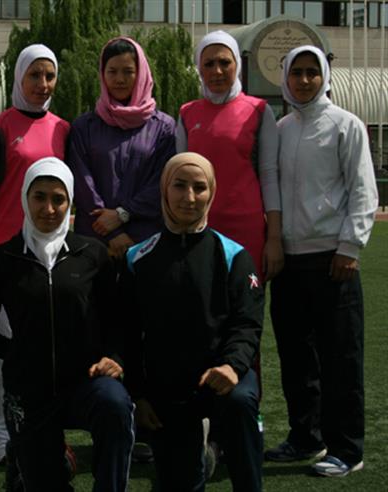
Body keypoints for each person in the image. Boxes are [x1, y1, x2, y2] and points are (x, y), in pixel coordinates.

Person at [0, 157, 134, 492]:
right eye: (39, 197)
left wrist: (114, 356)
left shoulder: (92, 254)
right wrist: (18, 354)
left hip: (87, 382)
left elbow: (117, 318)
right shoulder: (2, 259)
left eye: (58, 199)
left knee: (115, 405)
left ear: (70, 202)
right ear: (25, 198)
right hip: (30, 391)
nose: (48, 209)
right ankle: (34, 462)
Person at [265, 45, 378, 477]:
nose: (304, 80)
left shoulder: (346, 125)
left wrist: (350, 246)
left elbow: (364, 190)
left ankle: (347, 449)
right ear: (286, 78)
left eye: (313, 72)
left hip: (334, 260)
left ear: (324, 77)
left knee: (340, 359)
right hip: (290, 262)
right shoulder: (280, 129)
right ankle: (305, 438)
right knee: (297, 358)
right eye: (297, 72)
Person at [121, 152, 264, 491]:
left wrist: (231, 365)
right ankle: (198, 451)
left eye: (199, 187)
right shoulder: (137, 258)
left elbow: (247, 323)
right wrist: (138, 394)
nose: (189, 197)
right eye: (179, 186)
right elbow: (128, 332)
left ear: (211, 192)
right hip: (167, 388)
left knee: (240, 402)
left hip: (223, 378)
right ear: (164, 189)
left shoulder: (234, 256)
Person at [0, 44, 70, 465]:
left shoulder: (63, 129)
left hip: (50, 252)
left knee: (49, 345)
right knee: (4, 348)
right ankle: (0, 433)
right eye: (34, 75)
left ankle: (46, 428)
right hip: (9, 252)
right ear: (19, 77)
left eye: (49, 76)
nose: (42, 84)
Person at [176, 30, 283, 281]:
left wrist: (274, 238)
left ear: (237, 64)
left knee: (245, 299)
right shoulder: (187, 113)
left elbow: (269, 176)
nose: (217, 71)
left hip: (247, 228)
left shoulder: (259, 110)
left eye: (225, 62)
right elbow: (178, 178)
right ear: (199, 69)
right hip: (198, 227)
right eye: (209, 64)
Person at [68, 36, 176, 261]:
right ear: (102, 74)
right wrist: (112, 232)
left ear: (141, 73)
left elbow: (163, 181)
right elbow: (82, 183)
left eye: (128, 71)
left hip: (145, 238)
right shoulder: (84, 127)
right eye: (112, 71)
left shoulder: (163, 128)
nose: (119, 79)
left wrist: (123, 214)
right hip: (95, 238)